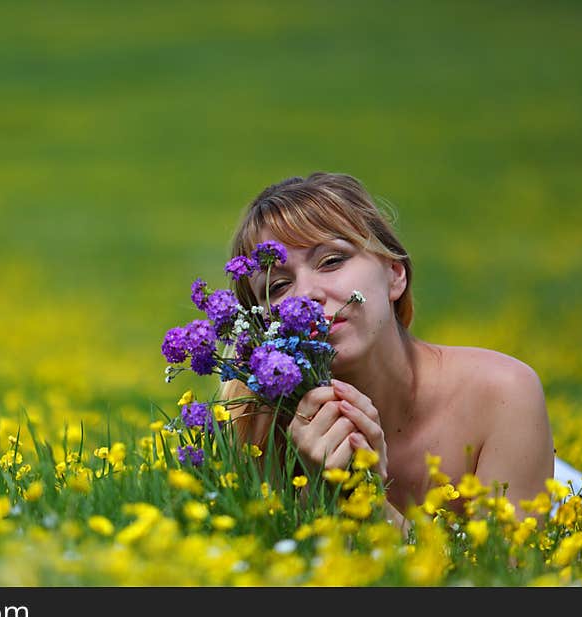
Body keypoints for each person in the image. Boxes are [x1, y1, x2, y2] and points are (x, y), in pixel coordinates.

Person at [220, 172, 562, 524]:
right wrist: (316, 499)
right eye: (277, 285)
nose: (307, 294)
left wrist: (360, 498)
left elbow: (507, 574)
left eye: (331, 261)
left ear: (395, 274)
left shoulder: (503, 393)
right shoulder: (254, 431)